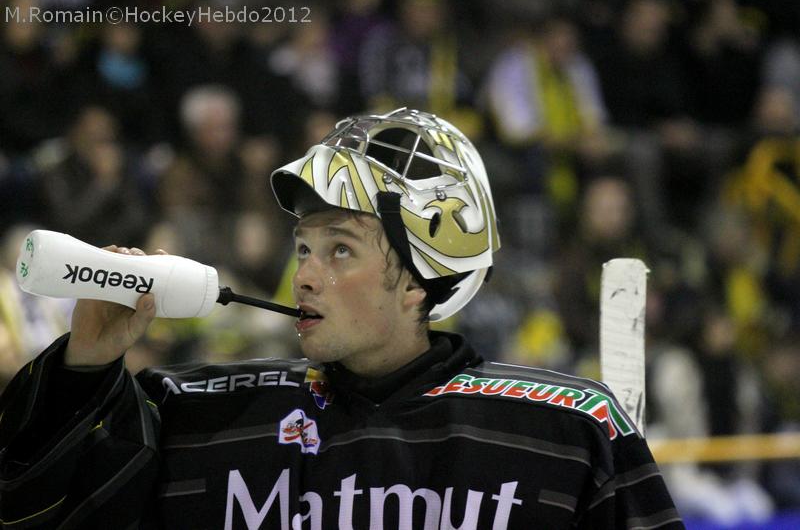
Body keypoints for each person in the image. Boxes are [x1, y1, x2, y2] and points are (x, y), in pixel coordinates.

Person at [0, 108, 683, 528]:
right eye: (304, 247)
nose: (304, 273)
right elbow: (32, 510)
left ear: (418, 279)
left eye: (340, 249)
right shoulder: (190, 417)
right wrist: (84, 366)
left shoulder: (572, 432)